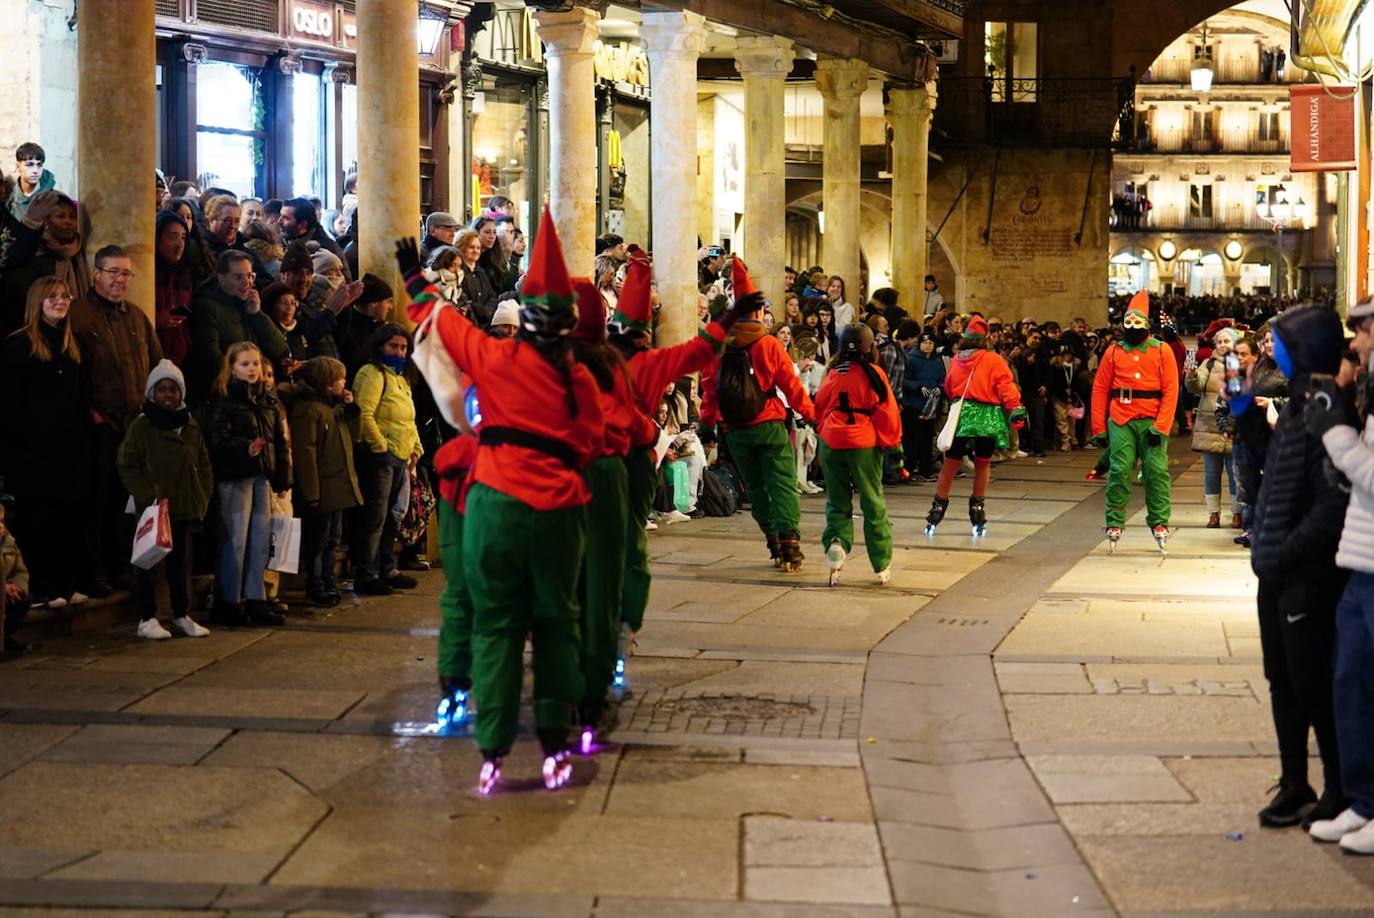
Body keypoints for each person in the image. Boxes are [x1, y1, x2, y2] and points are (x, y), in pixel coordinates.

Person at [397, 207, 605, 794]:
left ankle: (491, 748)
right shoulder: (580, 381)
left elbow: (435, 321)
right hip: (559, 511)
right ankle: (557, 742)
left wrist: (414, 275)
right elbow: (590, 444)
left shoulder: (494, 357)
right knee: (557, 621)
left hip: (493, 504)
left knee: (494, 625)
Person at [1244, 305, 1350, 832]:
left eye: (1281, 341)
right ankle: (1294, 781)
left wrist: (1283, 551)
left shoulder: (1325, 407)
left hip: (1304, 573)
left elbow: (1330, 503)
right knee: (1282, 680)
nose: (1272, 348)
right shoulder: (1298, 403)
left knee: (1315, 683)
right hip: (1276, 569)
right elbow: (1273, 476)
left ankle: (1337, 785)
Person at [607, 246, 732, 678]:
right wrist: (728, 317)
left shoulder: (583, 363)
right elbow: (700, 352)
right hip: (637, 457)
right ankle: (625, 624)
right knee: (628, 545)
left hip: (591, 461)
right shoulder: (653, 362)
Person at [569, 278, 655, 747]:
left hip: (549, 477)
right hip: (604, 476)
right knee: (601, 580)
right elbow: (636, 428)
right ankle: (593, 687)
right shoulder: (611, 365)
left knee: (559, 580)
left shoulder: (539, 360)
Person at [1305, 298, 1374, 852]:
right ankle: (1364, 802)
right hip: (1361, 560)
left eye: (1365, 330)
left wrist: (1336, 435)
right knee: (1348, 683)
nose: (1357, 343)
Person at [701, 257, 815, 571]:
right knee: (781, 483)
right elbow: (790, 386)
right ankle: (790, 543)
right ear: (759, 311)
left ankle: (773, 542)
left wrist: (707, 425)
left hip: (735, 428)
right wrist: (810, 413)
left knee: (755, 487)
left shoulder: (720, 346)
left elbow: (709, 389)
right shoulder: (768, 345)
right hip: (768, 423)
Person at [69, 245, 163, 591]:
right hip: (99, 426)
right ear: (97, 274)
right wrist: (89, 412)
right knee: (97, 501)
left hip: (134, 426)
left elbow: (156, 362)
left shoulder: (136, 317)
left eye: (126, 273)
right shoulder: (78, 316)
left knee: (127, 502)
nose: (121, 279)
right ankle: (94, 571)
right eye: (114, 272)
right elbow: (72, 370)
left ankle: (124, 564)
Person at [0, 276, 97, 606]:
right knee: (36, 520)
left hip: (68, 452)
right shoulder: (18, 345)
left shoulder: (72, 346)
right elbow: (10, 404)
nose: (60, 301)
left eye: (64, 296)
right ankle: (40, 587)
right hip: (33, 453)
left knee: (66, 519)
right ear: (37, 301)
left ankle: (64, 583)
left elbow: (81, 400)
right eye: (52, 296)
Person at [116, 360, 214, 640]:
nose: (168, 395)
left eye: (173, 389)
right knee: (148, 563)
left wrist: (202, 494)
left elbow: (203, 463)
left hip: (182, 506)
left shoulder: (190, 425)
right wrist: (147, 495)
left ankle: (180, 614)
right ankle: (147, 618)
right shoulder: (143, 426)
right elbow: (127, 463)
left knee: (179, 565)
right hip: (153, 508)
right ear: (152, 393)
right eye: (162, 389)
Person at [204, 342, 292, 627]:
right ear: (232, 368)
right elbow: (216, 439)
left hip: (262, 478)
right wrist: (246, 448)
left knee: (259, 540)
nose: (252, 369)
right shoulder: (224, 401)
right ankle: (229, 601)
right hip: (235, 478)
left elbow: (281, 443)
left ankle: (256, 599)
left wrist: (283, 478)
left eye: (255, 363)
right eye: (245, 364)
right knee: (236, 541)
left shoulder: (268, 402)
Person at [814, 324, 901, 586]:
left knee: (837, 501)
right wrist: (894, 448)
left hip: (832, 440)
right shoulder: (874, 373)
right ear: (869, 346)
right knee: (872, 500)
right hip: (863, 441)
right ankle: (881, 562)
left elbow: (819, 406)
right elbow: (887, 412)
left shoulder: (832, 373)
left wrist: (825, 432)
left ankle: (837, 546)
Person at [1090, 292, 1179, 551]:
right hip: (1121, 417)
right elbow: (1100, 389)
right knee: (1119, 468)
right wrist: (1098, 428)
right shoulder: (1113, 351)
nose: (1131, 328)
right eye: (1127, 323)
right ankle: (1114, 519)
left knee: (1156, 470)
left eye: (1137, 323)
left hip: (1151, 417)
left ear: (1147, 325)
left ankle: (1159, 521)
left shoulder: (1161, 351)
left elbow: (1171, 390)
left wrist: (1161, 426)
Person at [924, 316, 1026, 536]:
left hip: (962, 414)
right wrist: (1015, 407)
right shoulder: (994, 360)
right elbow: (1005, 385)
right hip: (987, 415)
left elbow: (950, 387)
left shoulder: (958, 359)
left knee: (950, 463)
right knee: (983, 463)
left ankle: (938, 505)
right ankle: (977, 506)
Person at [350, 323, 422, 596]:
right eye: (394, 346)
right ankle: (367, 573)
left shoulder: (401, 378)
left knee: (392, 517)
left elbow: (409, 417)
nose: (399, 352)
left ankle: (387, 567)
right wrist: (381, 446)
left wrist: (416, 448)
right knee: (375, 517)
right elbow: (364, 413)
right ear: (380, 346)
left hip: (401, 457)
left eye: (403, 347)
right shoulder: (372, 373)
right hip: (381, 457)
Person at [286, 356, 361, 607]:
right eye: (341, 379)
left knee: (333, 539)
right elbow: (306, 454)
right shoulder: (309, 411)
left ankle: (329, 582)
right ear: (328, 384)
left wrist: (351, 410)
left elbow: (354, 436)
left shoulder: (333, 409)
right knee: (318, 541)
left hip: (337, 486)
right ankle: (316, 584)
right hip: (321, 488)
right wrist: (312, 492)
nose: (345, 383)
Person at [188, 251, 288, 405]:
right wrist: (242, 382)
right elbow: (211, 359)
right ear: (221, 278)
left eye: (250, 276)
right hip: (225, 398)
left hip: (254, 395)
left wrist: (257, 315)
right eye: (238, 277)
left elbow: (278, 348)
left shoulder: (249, 306)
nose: (246, 282)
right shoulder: (206, 308)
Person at [0, 190, 89, 337]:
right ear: (46, 221)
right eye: (60, 216)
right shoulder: (33, 255)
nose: (68, 221)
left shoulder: (78, 252)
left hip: (75, 333)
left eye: (73, 217)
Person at [1187, 327, 1241, 528]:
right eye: (1219, 342)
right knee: (1211, 472)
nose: (1223, 345)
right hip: (1210, 426)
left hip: (1233, 427)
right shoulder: (1208, 364)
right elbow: (1195, 386)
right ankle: (1213, 514)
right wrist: (1191, 375)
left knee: (1236, 473)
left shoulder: (1241, 364)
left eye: (1227, 341)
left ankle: (1237, 513)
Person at [902, 332, 946, 481]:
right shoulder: (911, 360)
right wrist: (917, 387)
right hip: (914, 405)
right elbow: (904, 380)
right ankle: (910, 469)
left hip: (931, 407)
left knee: (927, 438)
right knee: (912, 439)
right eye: (925, 343)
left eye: (930, 343)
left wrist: (940, 387)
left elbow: (943, 380)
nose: (927, 346)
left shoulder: (937, 362)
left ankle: (925, 469)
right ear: (919, 344)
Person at [153, 211, 195, 367]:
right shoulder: (147, 273)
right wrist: (155, 319)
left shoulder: (185, 273)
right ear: (157, 238)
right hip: (155, 351)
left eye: (183, 237)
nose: (179, 244)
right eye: (172, 237)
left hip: (180, 353)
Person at [279, 197, 348, 279]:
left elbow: (344, 284)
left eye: (286, 218)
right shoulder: (279, 244)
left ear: (302, 225)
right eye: (280, 216)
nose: (279, 221)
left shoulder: (328, 247)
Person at [0, 504, 32, 656]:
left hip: (5, 588)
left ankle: (5, 635)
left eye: (1, 521)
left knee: (23, 599)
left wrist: (16, 586)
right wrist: (2, 587)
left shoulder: (8, 541)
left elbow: (20, 570)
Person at [454, 228, 498, 325]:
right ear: (461, 248)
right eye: (471, 247)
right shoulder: (456, 273)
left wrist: (486, 312)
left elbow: (492, 297)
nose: (476, 251)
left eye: (478, 248)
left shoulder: (481, 272)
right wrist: (479, 310)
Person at [6, 142, 56, 224]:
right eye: (29, 165)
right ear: (18, 167)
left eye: (39, 165)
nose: (35, 170)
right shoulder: (10, 200)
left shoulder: (52, 198)